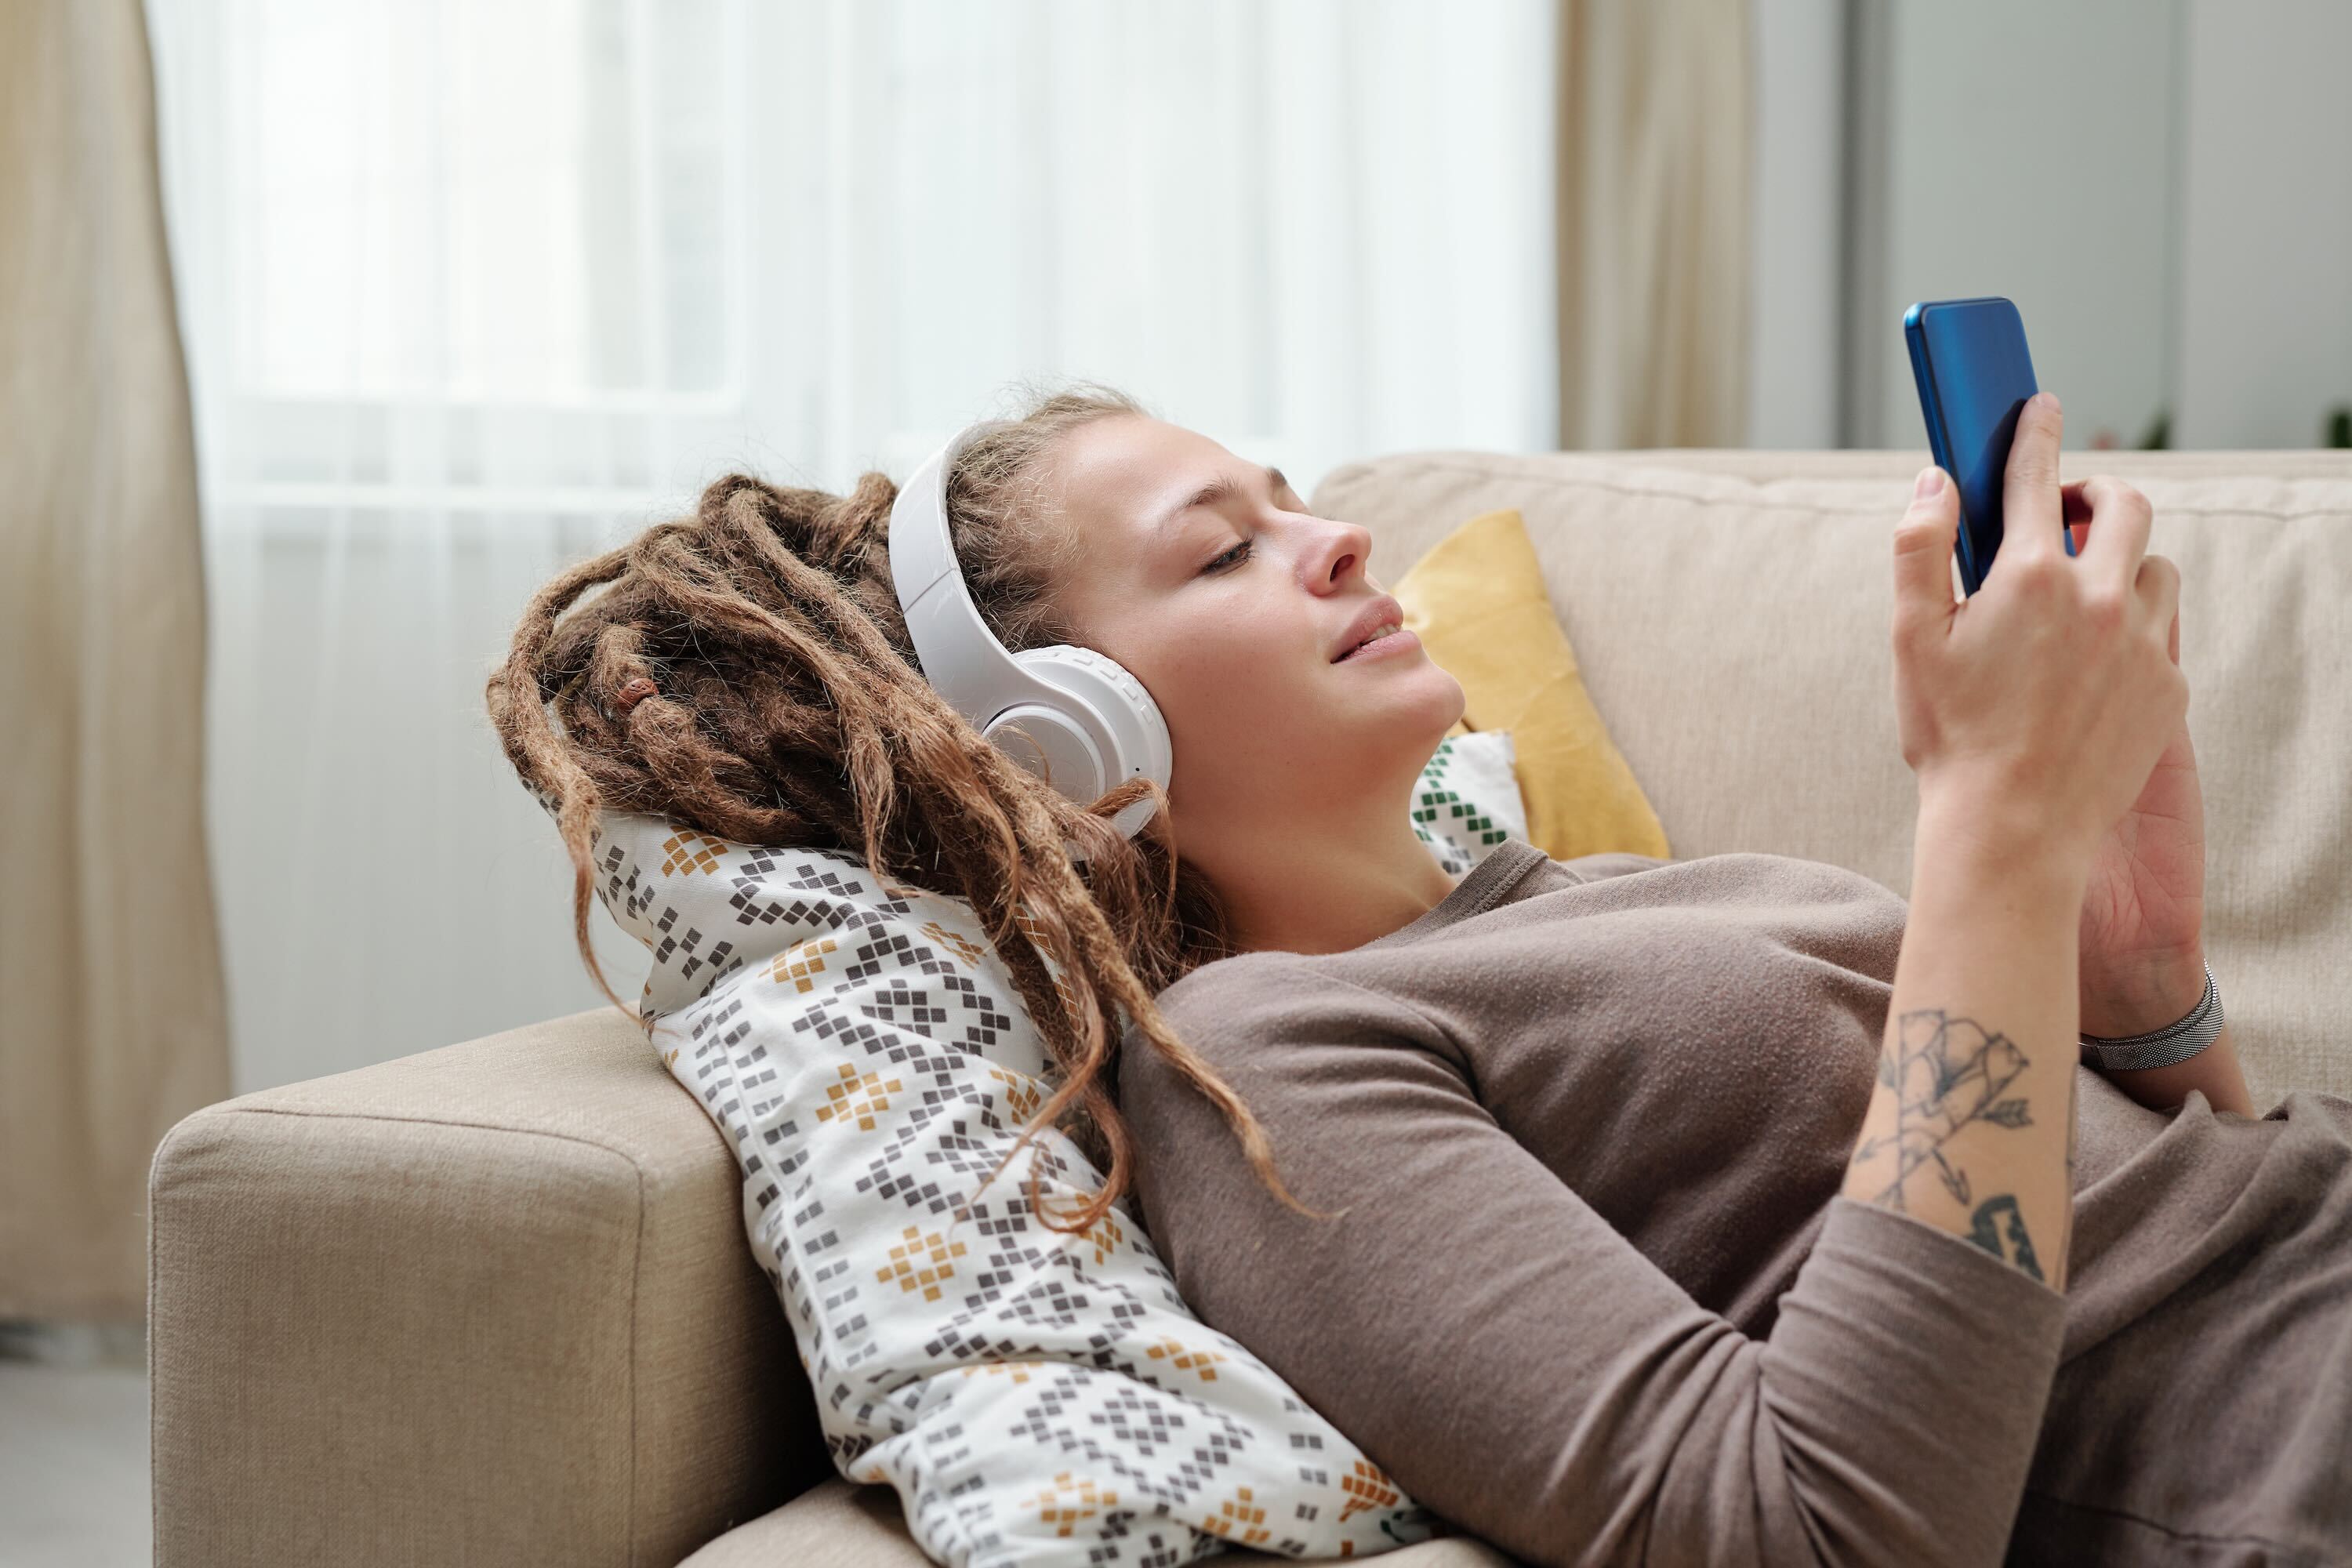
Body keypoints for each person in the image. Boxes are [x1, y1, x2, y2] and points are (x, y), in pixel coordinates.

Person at [488, 379, 2351, 1567]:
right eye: (1227, 549)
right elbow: (1815, 1526)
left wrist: (2143, 999)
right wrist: (1995, 842)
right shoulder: (1272, 1067)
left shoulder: (1570, 897)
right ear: (1068, 748)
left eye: (1292, 497)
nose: (1337, 540)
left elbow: (2160, 1247)